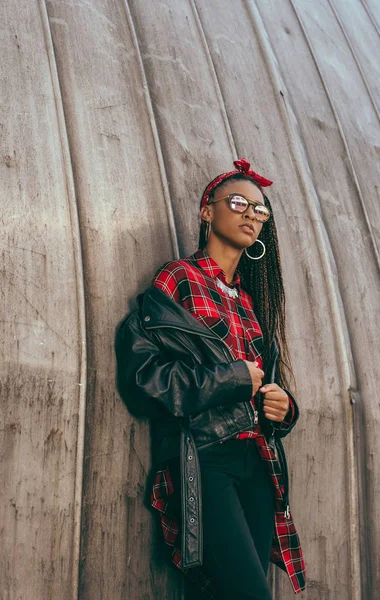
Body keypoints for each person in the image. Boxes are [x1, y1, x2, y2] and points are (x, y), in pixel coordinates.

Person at [117, 158, 306, 599]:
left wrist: (284, 408)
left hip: (259, 464)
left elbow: (261, 382)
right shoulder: (177, 278)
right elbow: (147, 378)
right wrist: (234, 378)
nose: (250, 215)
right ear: (207, 211)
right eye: (238, 202)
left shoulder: (250, 298)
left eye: (260, 210)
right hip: (204, 455)